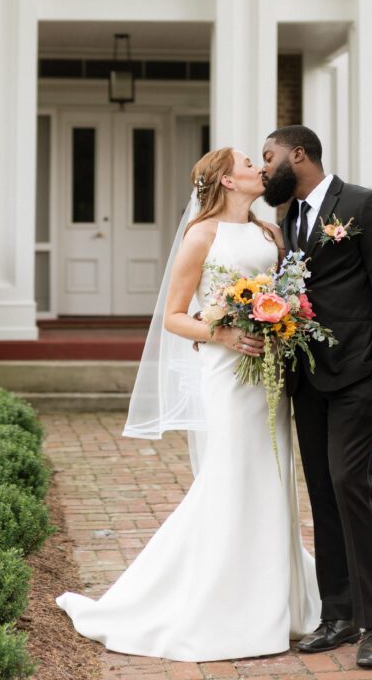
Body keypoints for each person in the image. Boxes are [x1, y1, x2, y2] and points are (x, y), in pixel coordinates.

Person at [56, 146, 321, 661]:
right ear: (226, 181)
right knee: (230, 476)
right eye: (248, 164)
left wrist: (282, 320)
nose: (259, 170)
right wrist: (221, 335)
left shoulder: (270, 232)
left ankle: (275, 601)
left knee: (273, 475)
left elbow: (286, 290)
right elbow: (175, 316)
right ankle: (216, 603)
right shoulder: (201, 235)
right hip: (226, 375)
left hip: (269, 373)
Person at [261, 125, 372, 669]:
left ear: (298, 154)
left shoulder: (364, 206)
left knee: (351, 485)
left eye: (269, 156)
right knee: (322, 492)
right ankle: (339, 613)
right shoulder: (288, 221)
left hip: (357, 376)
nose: (264, 167)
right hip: (308, 379)